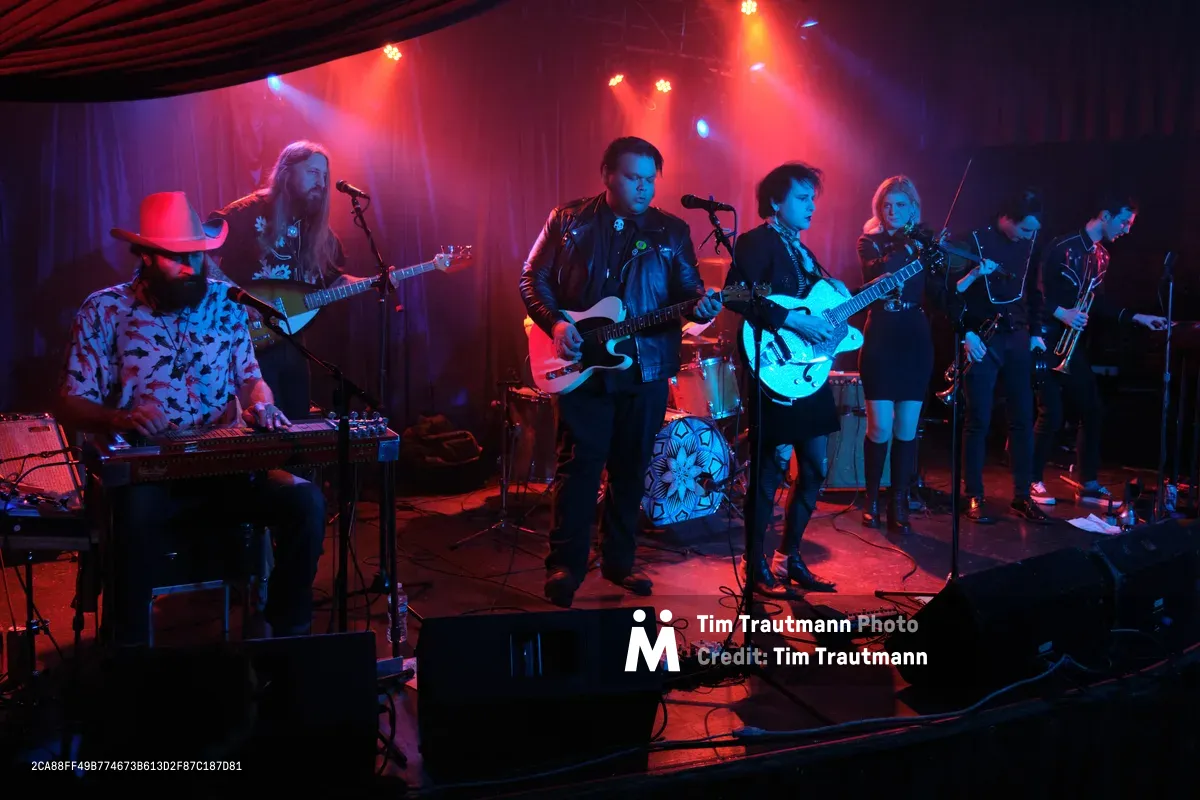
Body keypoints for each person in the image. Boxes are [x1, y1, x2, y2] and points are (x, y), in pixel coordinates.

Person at [57, 192, 325, 646]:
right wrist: (120, 418)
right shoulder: (103, 310)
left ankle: (287, 640)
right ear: (144, 255)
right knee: (133, 519)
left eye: (197, 257)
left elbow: (250, 379)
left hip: (225, 467)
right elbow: (70, 402)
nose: (190, 269)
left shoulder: (225, 304)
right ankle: (130, 650)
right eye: (175, 259)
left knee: (306, 502)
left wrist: (262, 403)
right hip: (150, 478)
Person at [519, 136, 722, 608]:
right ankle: (565, 566)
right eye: (634, 177)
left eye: (651, 179)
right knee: (580, 467)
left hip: (645, 367)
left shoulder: (671, 231)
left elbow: (689, 290)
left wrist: (703, 303)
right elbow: (533, 277)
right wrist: (556, 323)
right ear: (607, 173)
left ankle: (619, 563)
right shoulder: (567, 220)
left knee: (631, 470)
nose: (644, 187)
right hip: (581, 365)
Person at [724, 162, 841, 595]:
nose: (812, 206)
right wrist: (791, 318)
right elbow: (734, 295)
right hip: (772, 369)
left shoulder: (804, 250)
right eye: (802, 197)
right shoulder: (756, 242)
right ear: (776, 201)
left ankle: (788, 556)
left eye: (813, 198)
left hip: (805, 375)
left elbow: (816, 304)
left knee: (814, 466)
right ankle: (754, 566)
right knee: (770, 469)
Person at [1031, 193, 1168, 507]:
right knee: (1050, 413)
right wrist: (1061, 312)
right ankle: (1032, 480)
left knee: (1093, 409)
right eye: (1123, 222)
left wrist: (1137, 317)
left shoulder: (1103, 256)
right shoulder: (1060, 246)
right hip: (1044, 338)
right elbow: (1034, 291)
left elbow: (1099, 303)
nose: (1126, 230)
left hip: (1072, 345)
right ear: (1105, 215)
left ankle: (1087, 482)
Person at [206, 140, 352, 420]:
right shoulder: (247, 212)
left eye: (324, 175)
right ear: (287, 171)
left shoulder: (316, 230)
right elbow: (200, 252)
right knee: (260, 428)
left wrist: (383, 279)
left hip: (293, 341)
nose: (321, 182)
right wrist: (237, 297)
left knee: (296, 424)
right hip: (248, 344)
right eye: (312, 172)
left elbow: (338, 280)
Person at [949, 188, 1050, 524]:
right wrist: (966, 333)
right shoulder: (973, 241)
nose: (1029, 236)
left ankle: (1022, 496)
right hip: (983, 338)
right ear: (1007, 219)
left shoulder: (1030, 243)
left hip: (1017, 337)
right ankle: (973, 495)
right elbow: (951, 293)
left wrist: (1035, 332)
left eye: (1033, 230)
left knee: (1022, 417)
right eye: (1024, 229)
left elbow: (1035, 292)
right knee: (978, 419)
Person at [856, 175, 940, 535]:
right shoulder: (868, 241)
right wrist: (910, 248)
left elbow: (936, 290)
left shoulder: (925, 243)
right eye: (887, 205)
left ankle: (899, 500)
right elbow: (878, 275)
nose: (892, 211)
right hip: (881, 333)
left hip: (914, 335)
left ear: (913, 207)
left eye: (900, 205)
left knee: (907, 428)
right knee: (879, 427)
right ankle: (871, 498)